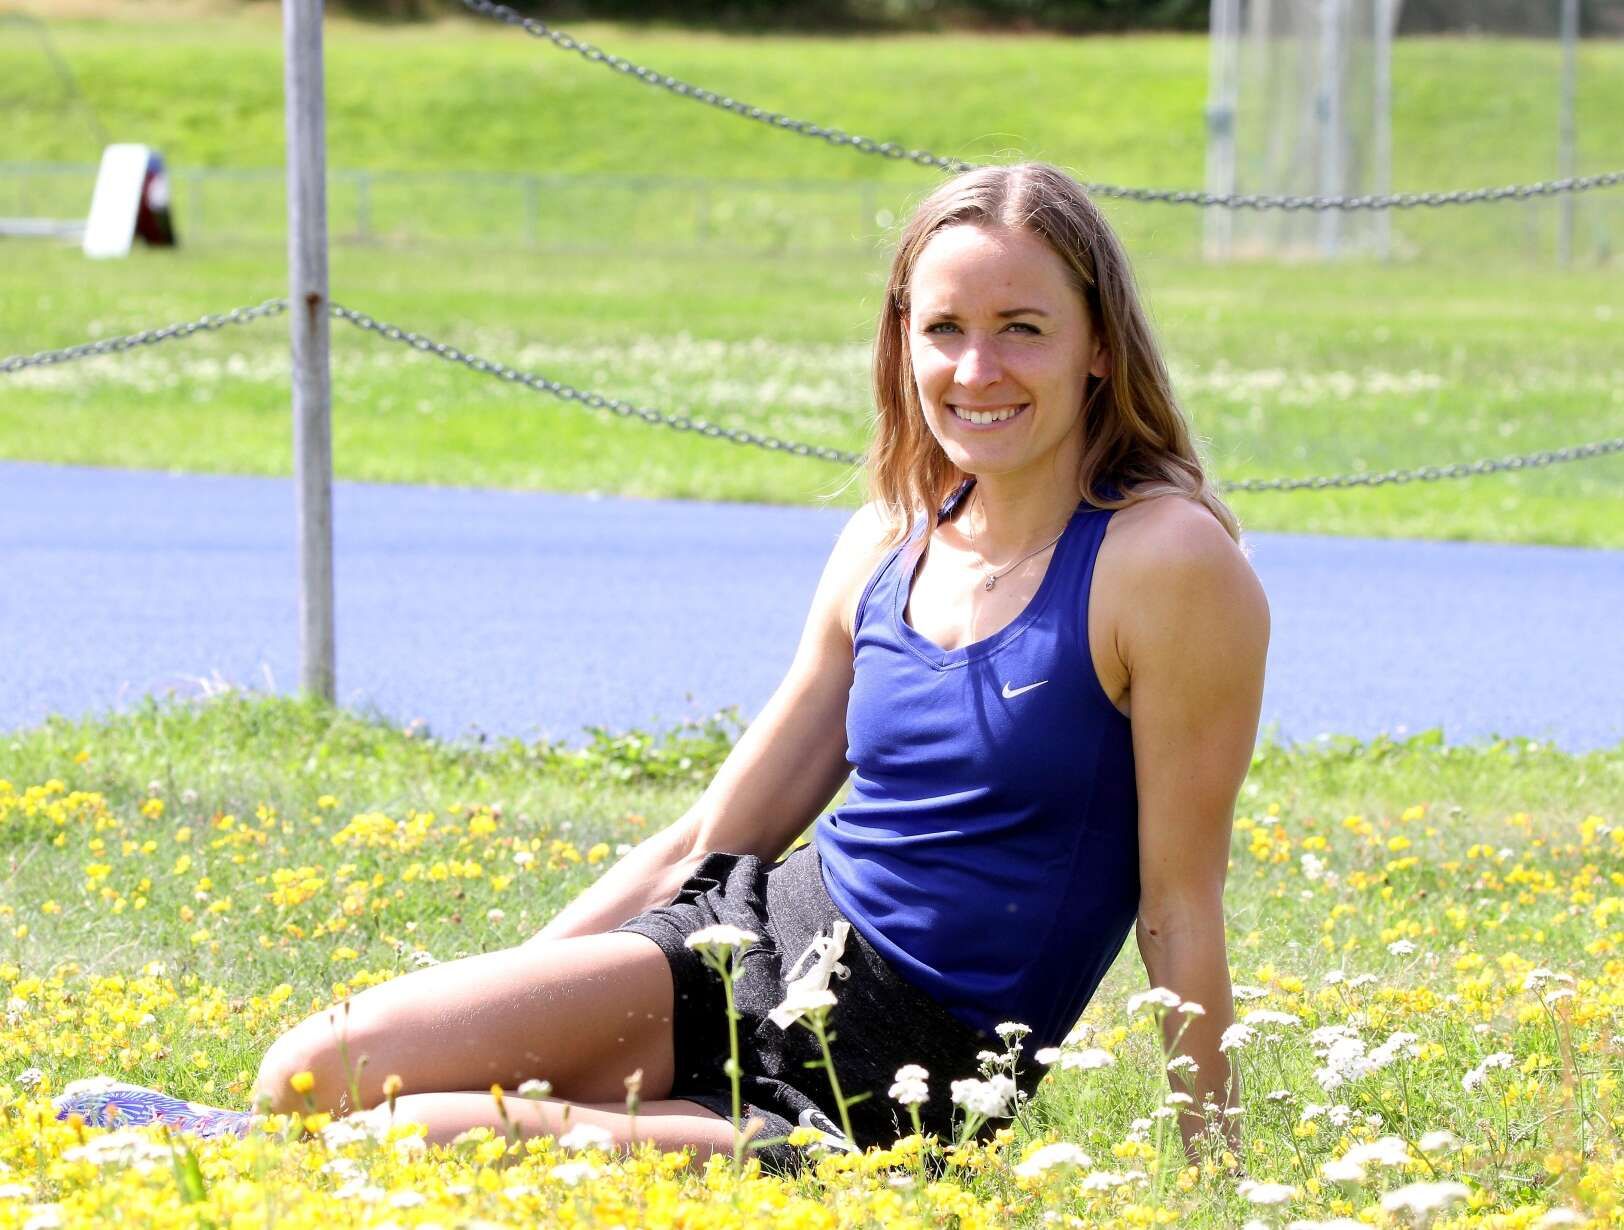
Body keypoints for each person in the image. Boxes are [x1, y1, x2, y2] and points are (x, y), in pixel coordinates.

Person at [55, 161, 1268, 1177]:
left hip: (889, 1071)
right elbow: (714, 835)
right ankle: (278, 1144)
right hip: (746, 945)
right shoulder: (887, 541)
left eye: (1022, 330)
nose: (975, 369)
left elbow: (1177, 902)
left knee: (413, 1139)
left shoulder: (1163, 563)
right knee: (309, 1070)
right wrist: (520, 990)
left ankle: (234, 1164)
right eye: (943, 329)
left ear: (1097, 347)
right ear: (902, 341)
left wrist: (1215, 1178)